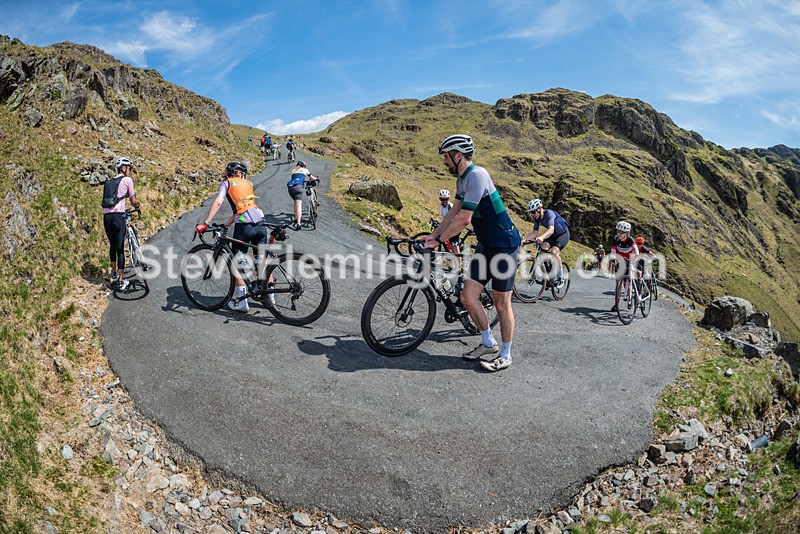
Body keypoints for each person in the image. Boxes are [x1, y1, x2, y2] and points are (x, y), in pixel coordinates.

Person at [424, 134, 521, 372]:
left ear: (458, 155)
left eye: (446, 157)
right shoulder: (462, 179)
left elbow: (464, 220)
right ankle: (488, 343)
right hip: (486, 245)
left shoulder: (478, 175)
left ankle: (505, 355)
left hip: (504, 246)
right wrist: (433, 235)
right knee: (467, 297)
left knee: (501, 303)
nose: (444, 161)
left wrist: (439, 241)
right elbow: (453, 214)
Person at [195, 161, 267, 312]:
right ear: (240, 173)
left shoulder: (227, 183)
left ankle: (242, 303)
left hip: (245, 227)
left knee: (236, 263)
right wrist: (225, 224)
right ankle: (270, 299)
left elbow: (219, 201)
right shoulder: (248, 183)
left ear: (228, 173)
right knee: (261, 261)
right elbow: (244, 209)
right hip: (260, 223)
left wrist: (206, 223)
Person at [103, 156, 140, 291]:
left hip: (107, 217)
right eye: (129, 168)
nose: (130, 171)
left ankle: (113, 273)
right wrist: (137, 206)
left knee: (112, 245)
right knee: (120, 248)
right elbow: (133, 201)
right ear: (123, 168)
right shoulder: (127, 180)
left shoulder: (108, 182)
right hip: (119, 217)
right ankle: (121, 280)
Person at [521, 198, 570, 287]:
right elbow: (534, 232)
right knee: (542, 252)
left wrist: (542, 237)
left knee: (554, 252)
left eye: (533, 212)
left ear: (539, 209)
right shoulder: (537, 219)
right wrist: (525, 240)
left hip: (563, 234)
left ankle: (561, 277)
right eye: (531, 213)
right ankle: (548, 274)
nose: (532, 215)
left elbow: (551, 229)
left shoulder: (549, 214)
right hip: (553, 235)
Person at [609, 220, 639, 312]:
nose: (618, 234)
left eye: (621, 232)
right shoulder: (615, 239)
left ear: (627, 233)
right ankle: (616, 304)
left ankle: (630, 298)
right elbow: (613, 251)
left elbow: (636, 249)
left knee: (627, 283)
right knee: (618, 284)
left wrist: (637, 255)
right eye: (617, 231)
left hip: (630, 260)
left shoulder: (630, 240)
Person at [286, 161, 319, 230]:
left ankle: (297, 217)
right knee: (298, 205)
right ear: (304, 166)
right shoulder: (305, 170)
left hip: (290, 188)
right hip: (298, 187)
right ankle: (298, 223)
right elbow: (312, 177)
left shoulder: (293, 170)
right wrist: (317, 179)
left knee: (295, 203)